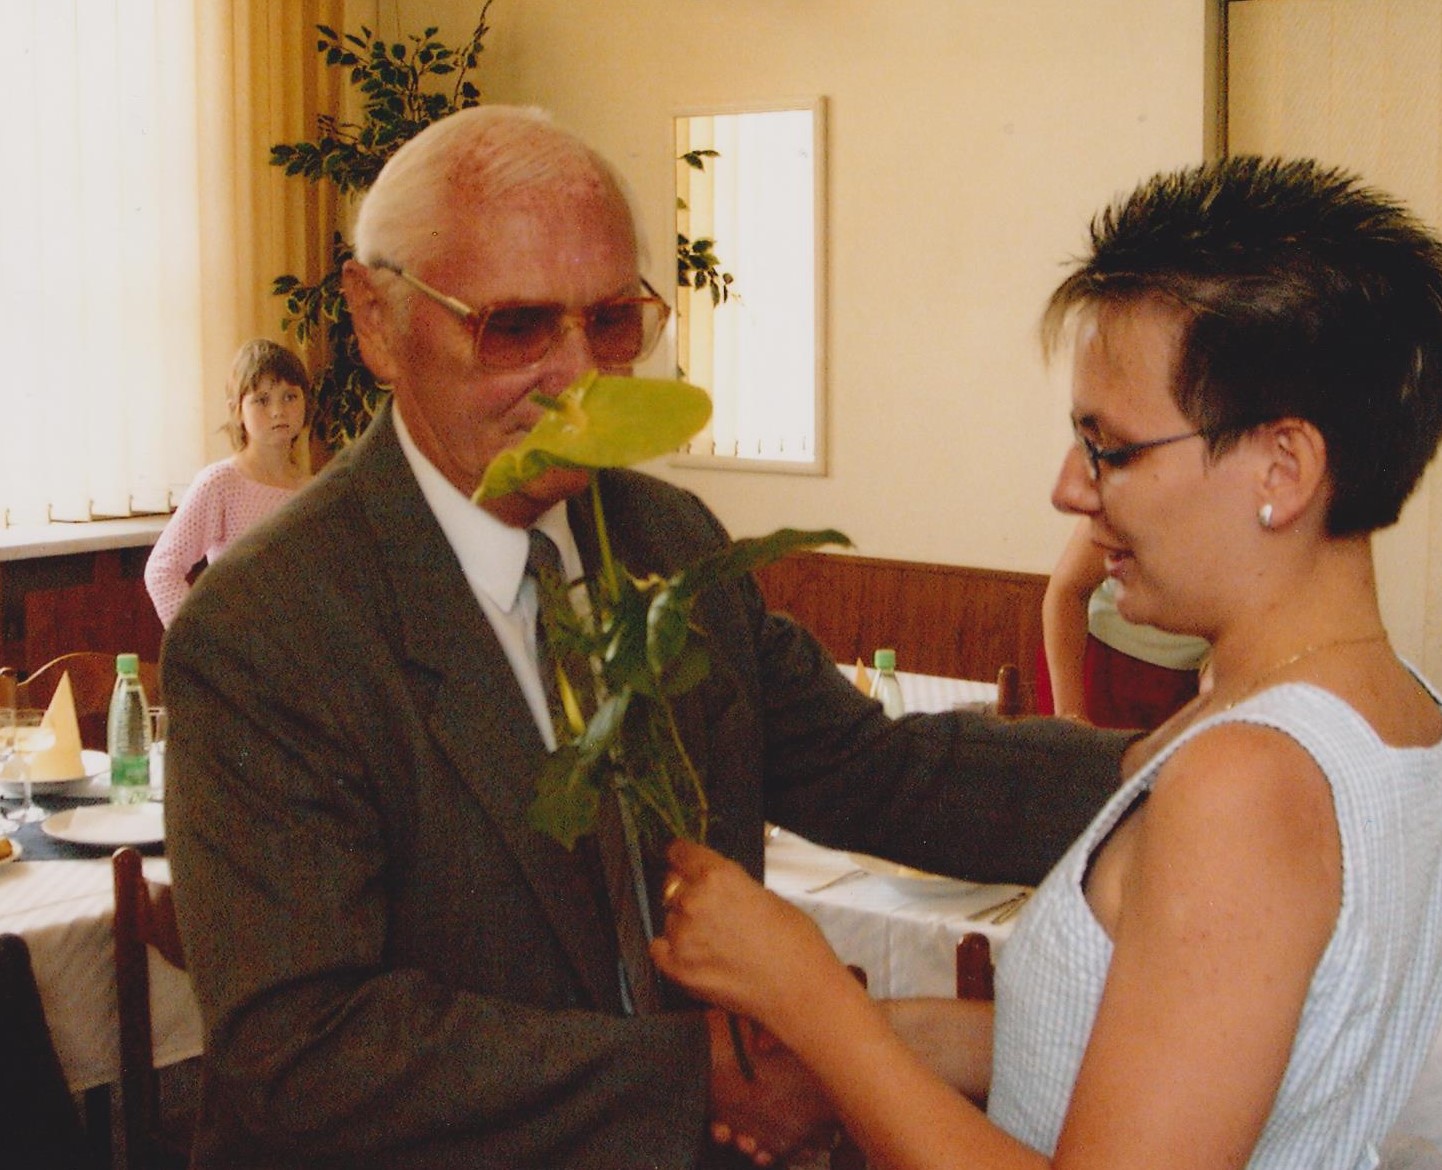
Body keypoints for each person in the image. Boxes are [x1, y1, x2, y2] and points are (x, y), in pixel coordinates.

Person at [161, 105, 1129, 1170]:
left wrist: (1172, 775)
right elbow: (302, 1048)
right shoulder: (270, 627)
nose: (581, 376)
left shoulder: (666, 541)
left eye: (614, 323)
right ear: (377, 321)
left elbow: (874, 768)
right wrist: (691, 1080)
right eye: (517, 328)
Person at [653, 156, 1442, 1170]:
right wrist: (856, 1046)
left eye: (1109, 448)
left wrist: (807, 992)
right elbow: (1177, 1051)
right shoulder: (1393, 705)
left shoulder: (1245, 782)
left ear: (1280, 469)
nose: (1070, 488)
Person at [144, 338, 312, 626]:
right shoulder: (220, 483)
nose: (278, 411)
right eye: (262, 400)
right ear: (237, 410)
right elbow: (163, 569)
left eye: (290, 396)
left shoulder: (316, 490)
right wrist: (199, 641)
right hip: (240, 646)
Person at [1037, 516, 1209, 728]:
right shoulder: (1128, 501)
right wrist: (1070, 715)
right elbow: (1067, 591)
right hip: (1097, 668)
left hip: (1189, 684)